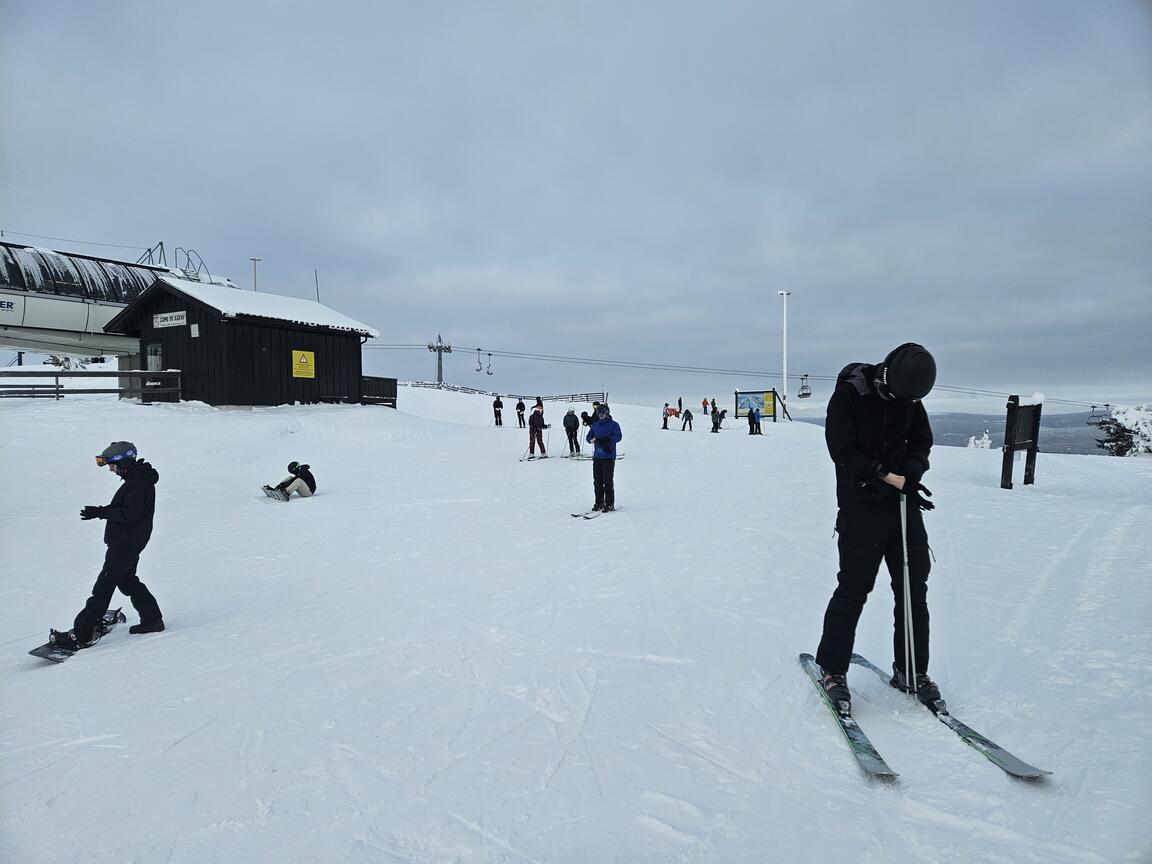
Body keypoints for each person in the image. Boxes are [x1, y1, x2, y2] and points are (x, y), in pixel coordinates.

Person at [814, 343, 941, 716]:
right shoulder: (850, 396)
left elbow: (921, 442)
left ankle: (911, 670)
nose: (906, 404)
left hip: (903, 507)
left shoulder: (909, 398)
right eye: (902, 397)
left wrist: (913, 468)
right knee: (854, 589)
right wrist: (883, 474)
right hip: (862, 508)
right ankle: (832, 670)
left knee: (913, 589)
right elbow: (842, 451)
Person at [52, 441, 165, 650]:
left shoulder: (139, 483)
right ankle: (152, 620)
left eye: (113, 465)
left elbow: (129, 514)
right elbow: (128, 510)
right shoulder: (137, 479)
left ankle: (81, 634)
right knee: (127, 581)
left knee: (103, 588)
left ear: (124, 462)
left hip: (126, 544)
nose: (111, 469)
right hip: (130, 541)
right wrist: (102, 512)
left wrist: (101, 512)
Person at [586, 403, 622, 511]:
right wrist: (591, 440)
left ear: (607, 413)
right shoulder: (595, 425)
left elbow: (618, 436)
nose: (601, 415)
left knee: (607, 481)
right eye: (599, 413)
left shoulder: (614, 425)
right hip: (597, 457)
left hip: (608, 457)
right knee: (597, 481)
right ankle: (599, 502)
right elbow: (588, 437)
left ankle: (610, 504)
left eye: (603, 413)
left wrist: (608, 439)